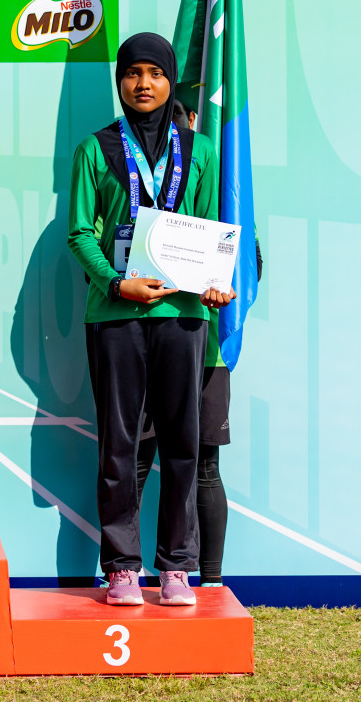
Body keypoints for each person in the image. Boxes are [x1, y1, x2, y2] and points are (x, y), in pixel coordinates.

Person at [67, 32, 233, 607]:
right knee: (118, 442)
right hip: (114, 314)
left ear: (169, 81)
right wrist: (117, 283)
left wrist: (214, 282)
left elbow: (210, 230)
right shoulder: (95, 149)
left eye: (155, 73)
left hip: (183, 314)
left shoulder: (202, 150)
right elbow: (81, 233)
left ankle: (177, 568)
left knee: (183, 441)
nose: (144, 84)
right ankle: (120, 568)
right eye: (133, 73)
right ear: (120, 82)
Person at [133, 101, 264, 590]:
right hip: (144, 345)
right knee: (139, 461)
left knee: (204, 465)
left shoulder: (226, 210)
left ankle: (210, 582)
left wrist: (219, 285)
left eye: (181, 125)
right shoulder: (135, 197)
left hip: (204, 353)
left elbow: (245, 273)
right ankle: (124, 570)